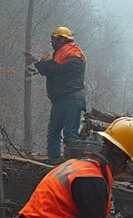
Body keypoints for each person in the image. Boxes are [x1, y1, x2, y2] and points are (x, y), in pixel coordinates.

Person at [26, 26, 87, 162]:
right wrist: (43, 66)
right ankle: (54, 162)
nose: (51, 42)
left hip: (71, 98)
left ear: (61, 39)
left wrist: (46, 67)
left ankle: (74, 163)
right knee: (54, 132)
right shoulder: (59, 53)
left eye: (53, 39)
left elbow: (65, 68)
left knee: (69, 135)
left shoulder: (73, 53)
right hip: (61, 99)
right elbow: (53, 68)